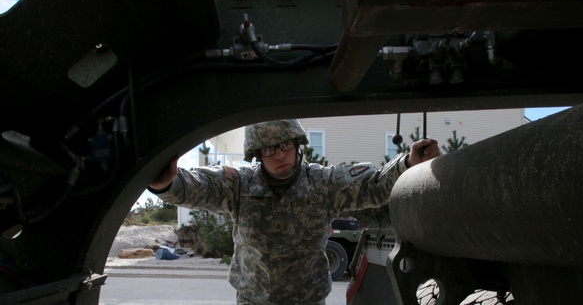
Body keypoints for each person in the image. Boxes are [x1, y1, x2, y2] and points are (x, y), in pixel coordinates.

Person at [149, 119, 439, 305]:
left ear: (297, 145)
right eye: (268, 149)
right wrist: (165, 183)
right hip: (254, 299)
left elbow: (373, 185)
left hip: (307, 299)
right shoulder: (239, 185)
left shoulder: (323, 184)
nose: (278, 154)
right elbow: (194, 185)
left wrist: (408, 163)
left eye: (285, 144)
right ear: (257, 155)